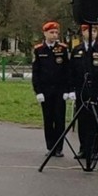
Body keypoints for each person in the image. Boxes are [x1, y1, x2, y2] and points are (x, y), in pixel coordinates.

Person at [68, 24, 98, 165]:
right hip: (82, 91)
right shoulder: (77, 50)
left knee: (95, 121)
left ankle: (94, 149)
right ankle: (83, 148)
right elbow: (72, 73)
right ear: (83, 32)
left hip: (97, 91)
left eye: (94, 30)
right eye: (88, 30)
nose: (91, 33)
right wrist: (71, 89)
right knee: (82, 120)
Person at [31, 21, 69, 157]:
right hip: (46, 90)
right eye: (51, 32)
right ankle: (50, 146)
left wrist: (67, 90)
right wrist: (38, 91)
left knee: (59, 119)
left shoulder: (63, 49)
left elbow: (67, 71)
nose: (54, 35)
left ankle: (59, 148)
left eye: (56, 33)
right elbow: (36, 72)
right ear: (45, 33)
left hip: (59, 90)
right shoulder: (39, 49)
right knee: (48, 119)